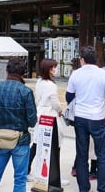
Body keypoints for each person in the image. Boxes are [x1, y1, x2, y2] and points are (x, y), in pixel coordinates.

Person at [66, 46, 105, 192]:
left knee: (82, 155)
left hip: (80, 117)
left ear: (82, 59)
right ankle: (103, 188)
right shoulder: (103, 74)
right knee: (102, 155)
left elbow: (68, 97)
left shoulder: (75, 74)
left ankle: (84, 187)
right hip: (98, 117)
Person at [0, 57, 37, 192]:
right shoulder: (26, 91)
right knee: (20, 179)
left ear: (7, 71)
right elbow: (32, 121)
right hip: (20, 139)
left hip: (1, 138)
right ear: (23, 73)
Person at [28, 58, 69, 186]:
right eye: (53, 67)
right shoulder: (51, 85)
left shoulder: (40, 82)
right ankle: (54, 175)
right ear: (49, 69)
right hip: (50, 115)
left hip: (40, 113)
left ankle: (26, 169)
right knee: (55, 145)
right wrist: (60, 111)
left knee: (37, 143)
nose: (55, 70)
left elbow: (37, 97)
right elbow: (55, 102)